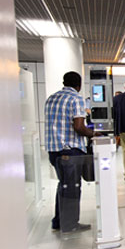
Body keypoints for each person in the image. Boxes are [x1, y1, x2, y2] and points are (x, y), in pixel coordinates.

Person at [45, 71, 99, 233]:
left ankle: (58, 221)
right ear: (79, 85)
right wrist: (93, 133)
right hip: (70, 151)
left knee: (63, 185)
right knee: (73, 187)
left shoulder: (51, 98)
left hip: (53, 151)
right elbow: (79, 127)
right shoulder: (76, 98)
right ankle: (70, 224)